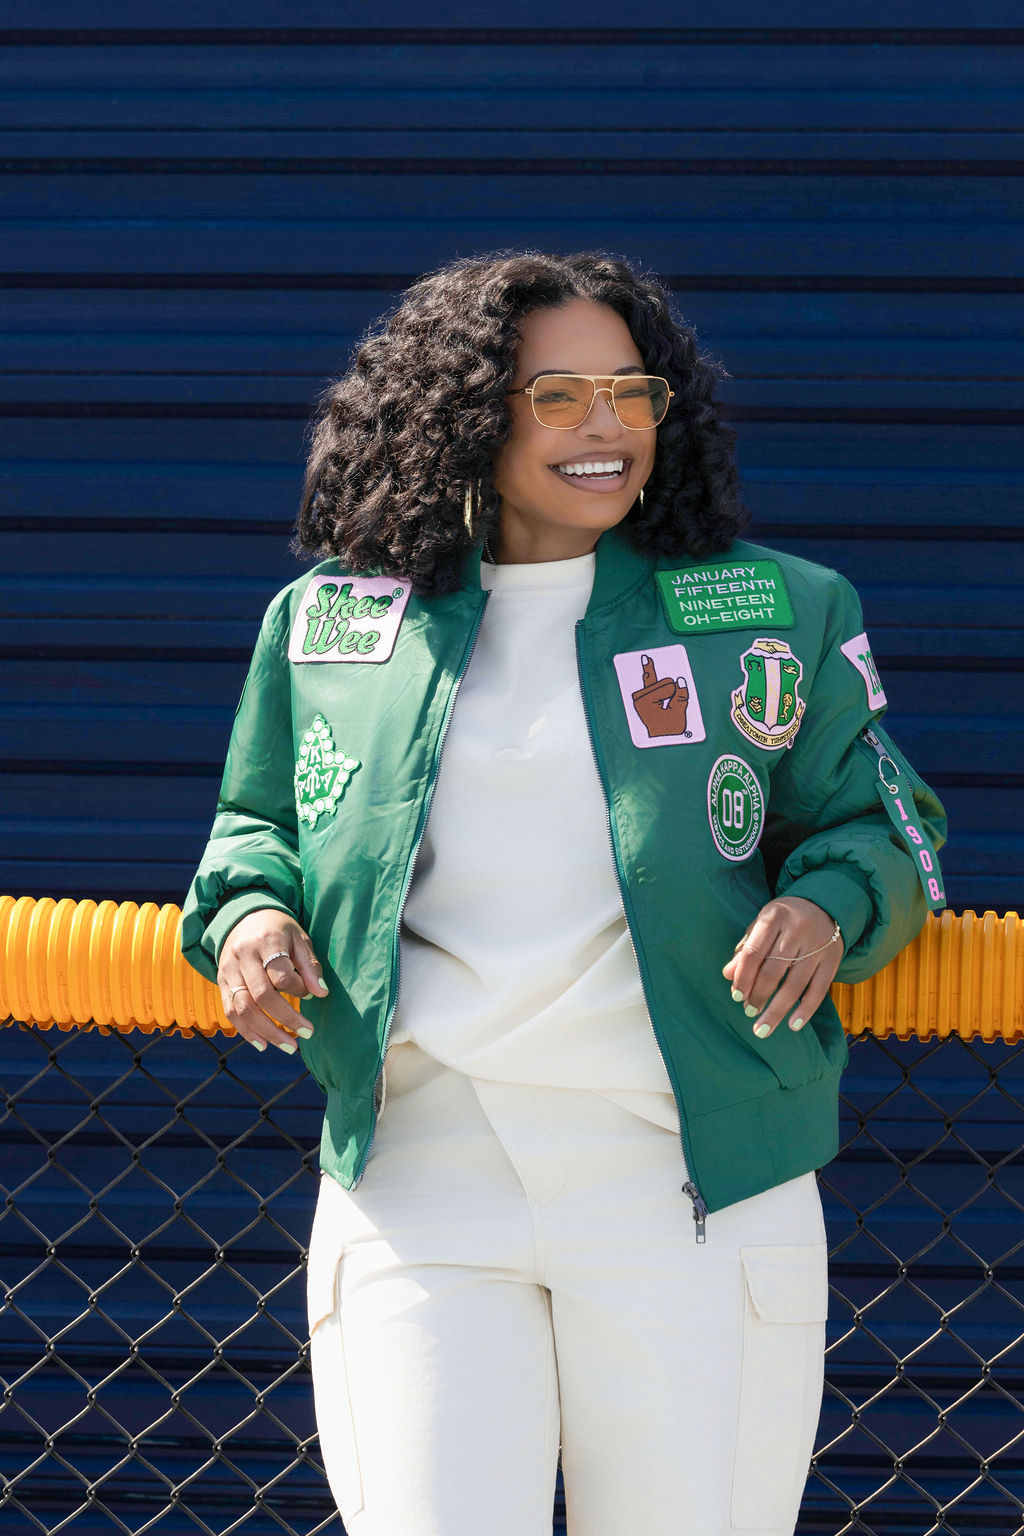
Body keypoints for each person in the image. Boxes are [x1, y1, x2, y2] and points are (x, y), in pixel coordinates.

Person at [181, 249, 947, 1536]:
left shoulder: (775, 607)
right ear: (464, 415)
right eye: (556, 396)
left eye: (630, 391)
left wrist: (826, 902)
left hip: (686, 1183)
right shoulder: (331, 623)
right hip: (421, 1177)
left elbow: (887, 826)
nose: (606, 427)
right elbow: (253, 823)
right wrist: (249, 913)